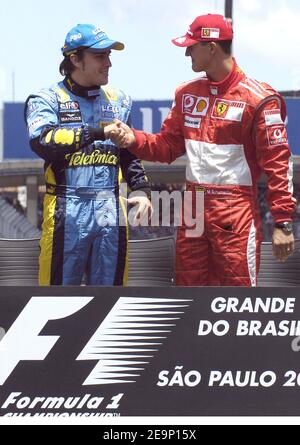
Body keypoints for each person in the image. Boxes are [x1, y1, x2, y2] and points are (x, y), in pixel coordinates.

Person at [106, 14, 296, 287]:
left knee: (236, 300)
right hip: (193, 208)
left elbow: (279, 164)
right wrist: (131, 139)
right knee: (189, 298)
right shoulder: (186, 94)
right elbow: (167, 147)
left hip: (235, 207)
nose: (186, 52)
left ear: (212, 47)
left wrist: (283, 222)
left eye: (191, 45)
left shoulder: (260, 99)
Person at [25, 24, 152, 286]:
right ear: (75, 59)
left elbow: (127, 151)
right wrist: (97, 131)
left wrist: (140, 188)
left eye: (109, 55)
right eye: (99, 56)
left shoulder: (120, 100)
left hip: (110, 207)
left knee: (112, 299)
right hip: (65, 207)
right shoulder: (46, 99)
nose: (108, 64)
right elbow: (42, 140)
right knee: (56, 296)